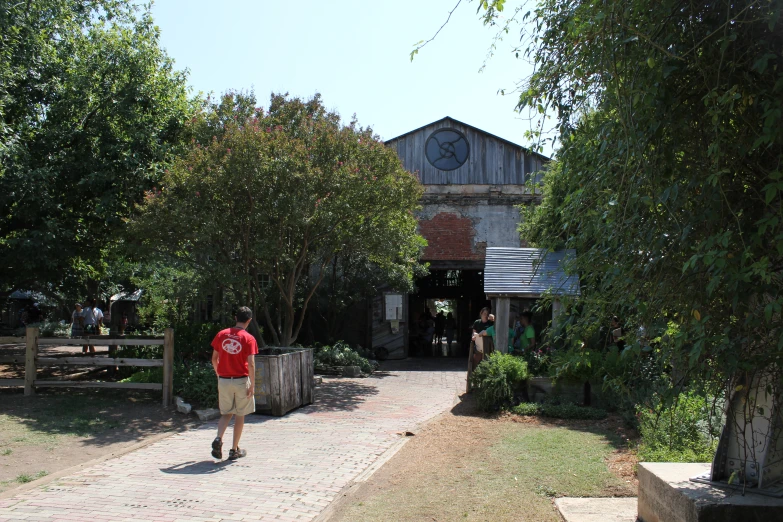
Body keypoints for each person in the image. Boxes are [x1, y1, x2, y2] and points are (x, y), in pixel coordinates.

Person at [210, 306, 258, 461]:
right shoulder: (249, 338)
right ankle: (233, 450)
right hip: (240, 380)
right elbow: (251, 363)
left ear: (235, 318)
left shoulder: (222, 334)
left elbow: (214, 358)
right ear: (249, 320)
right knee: (240, 415)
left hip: (224, 380)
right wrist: (252, 384)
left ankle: (218, 438)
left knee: (226, 413)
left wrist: (219, 374)